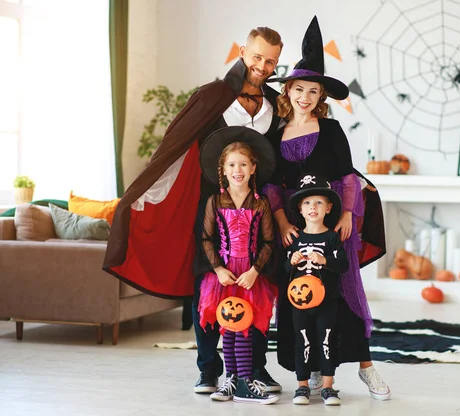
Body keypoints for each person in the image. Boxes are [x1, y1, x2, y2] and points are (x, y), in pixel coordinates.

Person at [103, 26, 283, 394]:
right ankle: (208, 370)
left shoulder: (275, 102)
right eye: (258, 56)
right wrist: (142, 190)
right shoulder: (213, 95)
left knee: (259, 286)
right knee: (210, 286)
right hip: (211, 208)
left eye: (271, 60)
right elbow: (174, 144)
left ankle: (257, 369)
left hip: (257, 209)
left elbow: (290, 152)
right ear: (243, 52)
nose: (263, 65)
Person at [264, 16, 391, 400]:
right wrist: (283, 218)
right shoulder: (275, 132)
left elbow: (348, 177)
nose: (305, 96)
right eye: (298, 89)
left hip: (332, 220)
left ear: (322, 96)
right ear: (288, 91)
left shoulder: (332, 131)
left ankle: (366, 367)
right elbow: (272, 184)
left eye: (313, 91)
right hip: (295, 226)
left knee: (342, 291)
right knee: (301, 294)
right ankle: (313, 370)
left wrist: (349, 214)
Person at [197, 127, 279, 404]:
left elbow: (268, 241)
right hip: (224, 272)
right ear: (223, 168)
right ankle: (233, 380)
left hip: (250, 273)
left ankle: (243, 379)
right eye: (232, 164)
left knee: (244, 325)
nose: (238, 169)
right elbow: (207, 238)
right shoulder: (214, 201)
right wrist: (219, 269)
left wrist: (255, 271)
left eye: (243, 164)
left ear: (253, 168)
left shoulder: (261, 203)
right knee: (228, 327)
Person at [285, 173, 349, 406]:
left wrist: (324, 261)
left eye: (319, 202)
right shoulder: (295, 238)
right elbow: (284, 269)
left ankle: (328, 387)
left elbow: (343, 265)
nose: (313, 207)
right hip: (299, 302)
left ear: (328, 207)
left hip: (327, 301)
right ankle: (302, 386)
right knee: (302, 341)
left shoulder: (332, 238)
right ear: (300, 210)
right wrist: (290, 261)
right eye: (307, 203)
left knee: (326, 340)